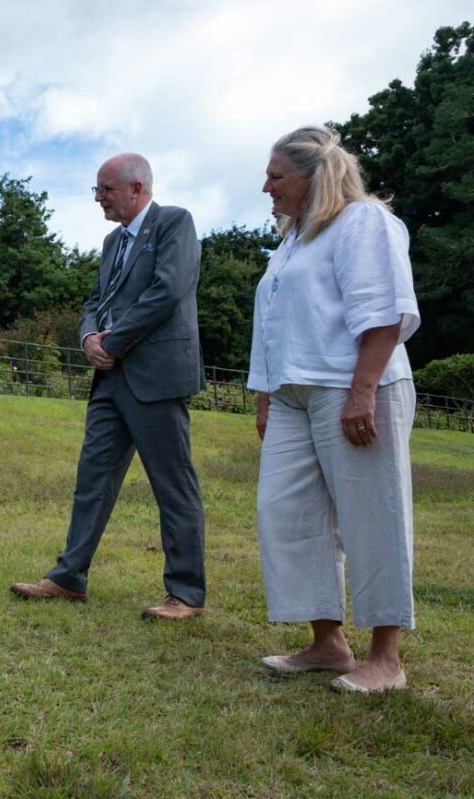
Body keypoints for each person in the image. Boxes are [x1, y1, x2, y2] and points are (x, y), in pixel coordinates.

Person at [249, 126, 419, 693]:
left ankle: (386, 658)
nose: (266, 186)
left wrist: (363, 389)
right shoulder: (291, 241)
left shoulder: (363, 221)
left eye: (276, 175)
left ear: (311, 175)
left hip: (351, 388)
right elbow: (273, 323)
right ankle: (328, 644)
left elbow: (384, 309)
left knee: (373, 513)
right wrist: (265, 394)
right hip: (293, 394)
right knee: (286, 514)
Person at [10, 153, 207, 620]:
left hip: (155, 378)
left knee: (172, 486)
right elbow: (96, 300)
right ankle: (68, 577)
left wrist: (114, 341)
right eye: (96, 190)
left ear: (137, 188)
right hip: (110, 379)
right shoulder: (110, 242)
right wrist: (87, 338)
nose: (98, 198)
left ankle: (186, 594)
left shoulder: (174, 224)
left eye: (105, 190)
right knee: (91, 480)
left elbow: (168, 290)